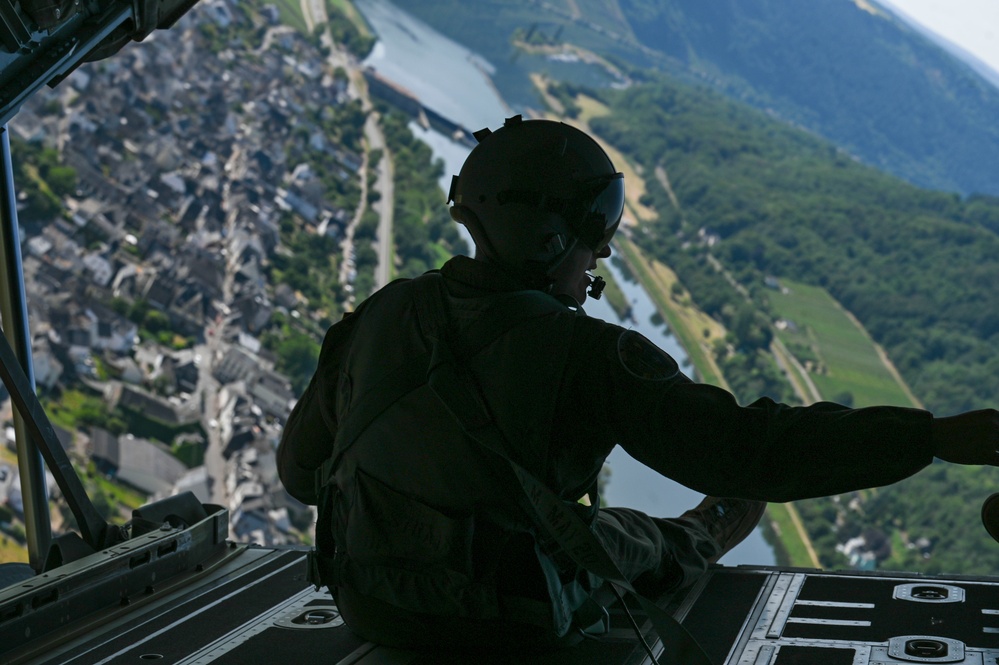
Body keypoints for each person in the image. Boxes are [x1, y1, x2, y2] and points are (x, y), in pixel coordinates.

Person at [277, 115, 999, 652]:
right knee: (625, 536)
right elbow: (749, 454)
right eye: (597, 234)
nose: (604, 253)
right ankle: (699, 538)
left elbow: (301, 473)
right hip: (496, 621)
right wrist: (927, 436)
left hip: (365, 599)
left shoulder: (382, 311)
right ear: (556, 237)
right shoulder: (590, 352)